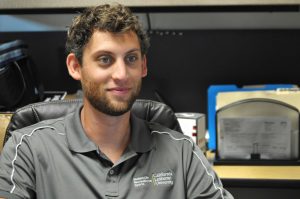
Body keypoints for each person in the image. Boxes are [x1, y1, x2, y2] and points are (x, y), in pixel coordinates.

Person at [0, 3, 233, 199]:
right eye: (104, 59)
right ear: (75, 66)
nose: (121, 74)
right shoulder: (28, 149)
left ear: (143, 66)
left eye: (131, 58)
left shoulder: (183, 153)